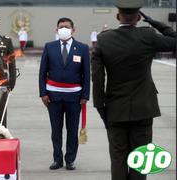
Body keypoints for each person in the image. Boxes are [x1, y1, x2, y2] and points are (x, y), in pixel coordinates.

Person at [91, 0, 176, 180]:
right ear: (138, 17)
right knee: (140, 160)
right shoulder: (148, 36)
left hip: (115, 110)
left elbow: (97, 80)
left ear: (117, 16)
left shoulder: (103, 40)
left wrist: (101, 110)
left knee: (118, 159)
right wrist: (154, 21)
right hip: (143, 109)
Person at [39, 17, 90, 171]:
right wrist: (43, 93)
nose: (63, 29)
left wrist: (85, 96)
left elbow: (86, 74)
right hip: (53, 96)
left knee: (72, 130)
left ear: (73, 30)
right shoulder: (50, 47)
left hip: (74, 97)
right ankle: (57, 159)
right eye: (61, 27)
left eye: (67, 27)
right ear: (56, 30)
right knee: (56, 130)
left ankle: (70, 159)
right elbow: (42, 73)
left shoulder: (82, 48)